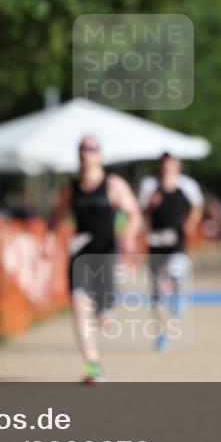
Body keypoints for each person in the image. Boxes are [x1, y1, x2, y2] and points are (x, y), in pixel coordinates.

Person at [47, 136, 142, 383]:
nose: (86, 153)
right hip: (80, 254)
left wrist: (130, 237)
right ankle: (93, 366)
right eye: (82, 149)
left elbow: (134, 214)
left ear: (100, 155)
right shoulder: (72, 188)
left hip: (106, 254)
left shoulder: (113, 185)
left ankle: (106, 309)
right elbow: (56, 216)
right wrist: (49, 240)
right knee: (79, 307)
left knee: (104, 317)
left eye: (91, 149)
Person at [137, 153, 204, 351]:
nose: (168, 166)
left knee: (177, 271)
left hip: (176, 241)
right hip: (156, 241)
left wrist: (191, 222)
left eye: (171, 163)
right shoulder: (149, 186)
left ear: (178, 165)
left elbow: (198, 207)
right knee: (156, 290)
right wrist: (151, 205)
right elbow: (141, 211)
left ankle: (178, 294)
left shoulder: (187, 186)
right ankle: (162, 333)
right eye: (165, 163)